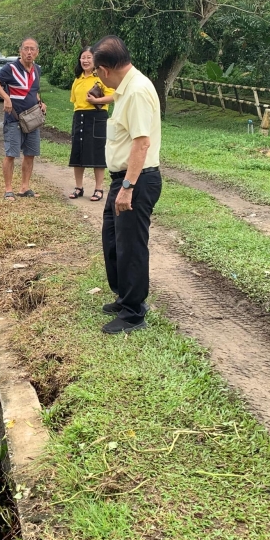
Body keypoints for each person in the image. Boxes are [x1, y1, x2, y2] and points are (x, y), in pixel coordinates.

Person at [90, 36, 162, 335]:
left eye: (96, 71)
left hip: (137, 179)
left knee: (131, 246)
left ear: (105, 69)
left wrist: (129, 187)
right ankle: (125, 298)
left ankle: (134, 313)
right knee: (114, 240)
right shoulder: (126, 89)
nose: (96, 76)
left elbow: (142, 143)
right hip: (123, 179)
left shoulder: (136, 91)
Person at [0, 38, 47, 199]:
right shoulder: (11, 68)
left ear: (37, 52)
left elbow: (33, 90)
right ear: (20, 51)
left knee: (30, 154)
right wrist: (6, 97)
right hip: (14, 119)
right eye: (26, 49)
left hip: (32, 119)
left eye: (32, 49)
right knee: (11, 154)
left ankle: (25, 188)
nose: (29, 52)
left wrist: (41, 102)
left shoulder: (37, 69)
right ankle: (8, 190)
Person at [68, 48, 115, 201]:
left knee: (98, 153)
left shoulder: (101, 77)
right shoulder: (78, 78)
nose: (85, 61)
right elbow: (75, 101)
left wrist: (97, 101)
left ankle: (99, 188)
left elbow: (113, 96)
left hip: (97, 117)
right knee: (77, 152)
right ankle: (78, 187)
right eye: (83, 58)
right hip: (79, 116)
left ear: (95, 60)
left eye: (89, 57)